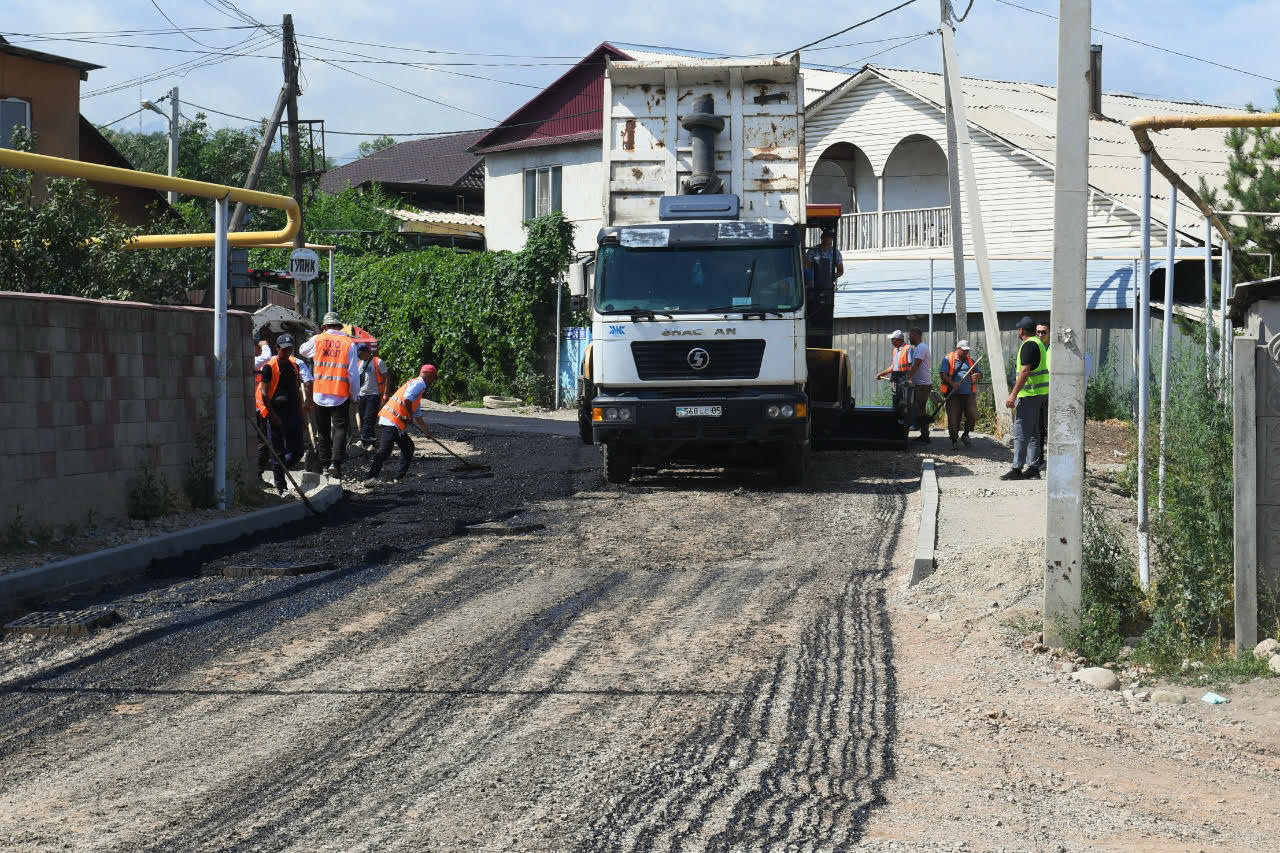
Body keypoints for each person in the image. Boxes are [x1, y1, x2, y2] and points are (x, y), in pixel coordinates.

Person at [299, 312, 360, 478]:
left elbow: (302, 351)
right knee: (340, 428)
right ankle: (335, 463)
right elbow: (353, 373)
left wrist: (319, 337)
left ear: (325, 326)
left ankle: (325, 465)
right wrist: (355, 395)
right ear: (339, 326)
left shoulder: (317, 340)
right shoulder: (349, 343)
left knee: (323, 431)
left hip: (320, 394)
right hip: (340, 394)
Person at [365, 365, 439, 484]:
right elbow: (407, 399)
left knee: (408, 447)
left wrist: (426, 430)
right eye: (433, 378)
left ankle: (399, 477)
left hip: (396, 423)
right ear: (429, 375)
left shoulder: (418, 388)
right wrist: (409, 416)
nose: (432, 382)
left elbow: (417, 414)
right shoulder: (420, 384)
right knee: (384, 451)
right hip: (391, 420)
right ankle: (370, 478)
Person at [256, 334, 308, 495]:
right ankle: (282, 488)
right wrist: (273, 416)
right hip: (276, 414)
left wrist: (302, 413)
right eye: (284, 349)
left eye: (290, 349)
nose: (287, 352)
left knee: (298, 450)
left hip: (293, 413)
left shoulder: (294, 365)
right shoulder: (269, 367)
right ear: (277, 348)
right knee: (277, 450)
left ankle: (279, 467)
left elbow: (297, 390)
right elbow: (264, 393)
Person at [1001, 316, 1050, 480]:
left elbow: (1025, 371)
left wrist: (1013, 394)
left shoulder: (1028, 345)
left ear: (1021, 330)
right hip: (1039, 394)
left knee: (1021, 432)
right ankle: (1033, 468)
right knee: (1035, 432)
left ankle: (1016, 469)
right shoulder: (1039, 344)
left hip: (1029, 395)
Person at [939, 339, 982, 450]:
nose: (966, 353)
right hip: (953, 395)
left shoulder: (971, 360)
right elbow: (943, 375)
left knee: (973, 415)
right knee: (953, 419)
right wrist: (952, 383)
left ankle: (965, 434)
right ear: (958, 349)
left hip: (968, 395)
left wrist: (978, 375)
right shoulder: (948, 359)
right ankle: (954, 440)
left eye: (967, 351)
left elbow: (980, 374)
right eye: (963, 351)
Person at [875, 330, 915, 420]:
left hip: (905, 379)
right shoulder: (895, 350)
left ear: (898, 339)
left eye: (893, 339)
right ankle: (898, 420)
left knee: (907, 402)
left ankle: (911, 423)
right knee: (897, 401)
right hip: (897, 379)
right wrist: (881, 374)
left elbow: (912, 366)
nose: (891, 341)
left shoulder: (908, 348)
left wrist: (909, 380)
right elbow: (893, 367)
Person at [355, 344, 388, 449]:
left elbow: (387, 378)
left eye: (360, 354)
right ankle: (372, 443)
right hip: (362, 395)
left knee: (369, 418)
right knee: (364, 419)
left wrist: (386, 393)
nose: (359, 356)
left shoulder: (378, 362)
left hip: (374, 394)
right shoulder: (359, 363)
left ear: (366, 352)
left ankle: (363, 439)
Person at [803, 227, 844, 300]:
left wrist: (831, 277)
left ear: (832, 239)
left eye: (830, 237)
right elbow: (807, 268)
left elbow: (840, 271)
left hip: (827, 287)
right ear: (822, 238)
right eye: (826, 237)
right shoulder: (812, 251)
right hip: (812, 286)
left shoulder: (836, 253)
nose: (828, 239)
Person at [907, 327, 932, 444]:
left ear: (917, 335)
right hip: (920, 384)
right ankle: (924, 434)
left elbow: (916, 365)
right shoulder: (918, 348)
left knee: (919, 410)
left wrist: (907, 378)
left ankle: (925, 435)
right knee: (919, 410)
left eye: (911, 336)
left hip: (923, 385)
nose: (909, 338)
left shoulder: (921, 348)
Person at [1033, 322, 1051, 470]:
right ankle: (1039, 460)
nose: (1040, 335)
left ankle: (1053, 460)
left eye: (1043, 332)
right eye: (1038, 332)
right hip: (1038, 395)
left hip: (1051, 395)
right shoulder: (1036, 348)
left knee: (1049, 428)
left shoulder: (1053, 350)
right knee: (1038, 428)